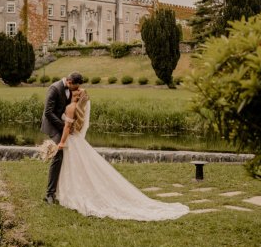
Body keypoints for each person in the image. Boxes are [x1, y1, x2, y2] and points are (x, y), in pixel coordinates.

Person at [56, 88, 189, 221]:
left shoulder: (70, 108)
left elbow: (67, 127)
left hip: (71, 141)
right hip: (78, 141)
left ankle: (73, 193)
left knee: (74, 169)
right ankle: (76, 191)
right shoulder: (80, 109)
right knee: (79, 169)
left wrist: (61, 142)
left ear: (74, 95)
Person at [41, 72, 84, 204]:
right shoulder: (54, 88)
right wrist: (64, 126)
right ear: (70, 82)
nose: (76, 90)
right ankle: (50, 194)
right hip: (54, 125)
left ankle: (65, 189)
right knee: (58, 154)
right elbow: (48, 112)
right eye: (75, 87)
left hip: (64, 124)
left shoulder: (72, 89)